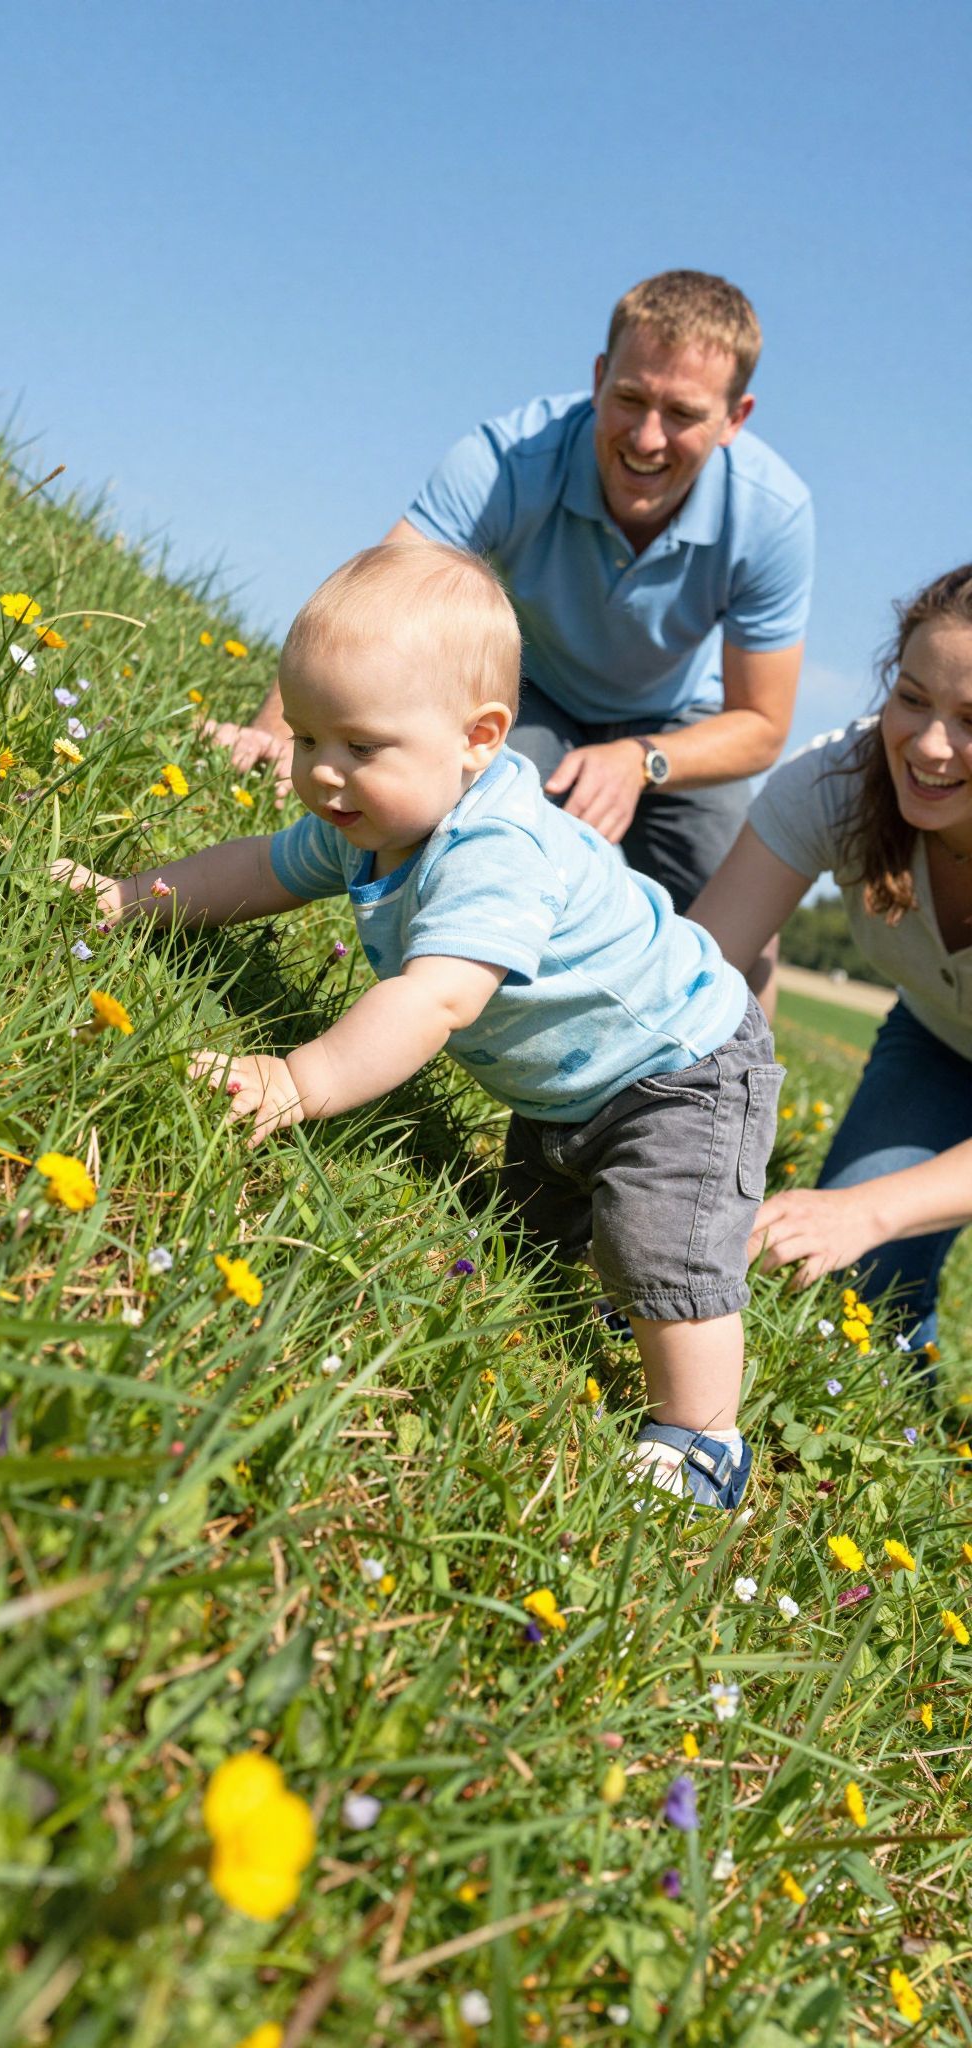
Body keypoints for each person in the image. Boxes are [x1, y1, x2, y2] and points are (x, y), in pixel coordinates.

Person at [57, 542, 782, 1510]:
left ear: (478, 737)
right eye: (308, 738)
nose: (322, 773)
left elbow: (436, 997)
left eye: (358, 745)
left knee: (665, 1246)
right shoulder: (376, 814)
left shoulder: (493, 848)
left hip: (680, 1071)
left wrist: (297, 1079)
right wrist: (125, 897)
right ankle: (607, 1293)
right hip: (568, 1078)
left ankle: (701, 1434)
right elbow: (261, 870)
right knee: (525, 1239)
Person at [207, 270, 813, 1004]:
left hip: (670, 730)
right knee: (448, 804)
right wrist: (276, 735)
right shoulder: (508, 459)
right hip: (531, 696)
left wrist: (635, 760)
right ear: (598, 378)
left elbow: (759, 725)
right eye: (629, 398)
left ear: (735, 418)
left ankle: (736, 1090)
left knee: (746, 898)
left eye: (682, 413)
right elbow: (375, 602)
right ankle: (439, 1009)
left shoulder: (773, 517)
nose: (647, 438)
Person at [690, 562, 972, 1366]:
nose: (928, 745)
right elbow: (698, 973)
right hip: (943, 1044)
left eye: (971, 718)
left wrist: (871, 1209)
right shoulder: (839, 782)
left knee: (865, 1221)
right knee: (862, 1288)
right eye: (912, 698)